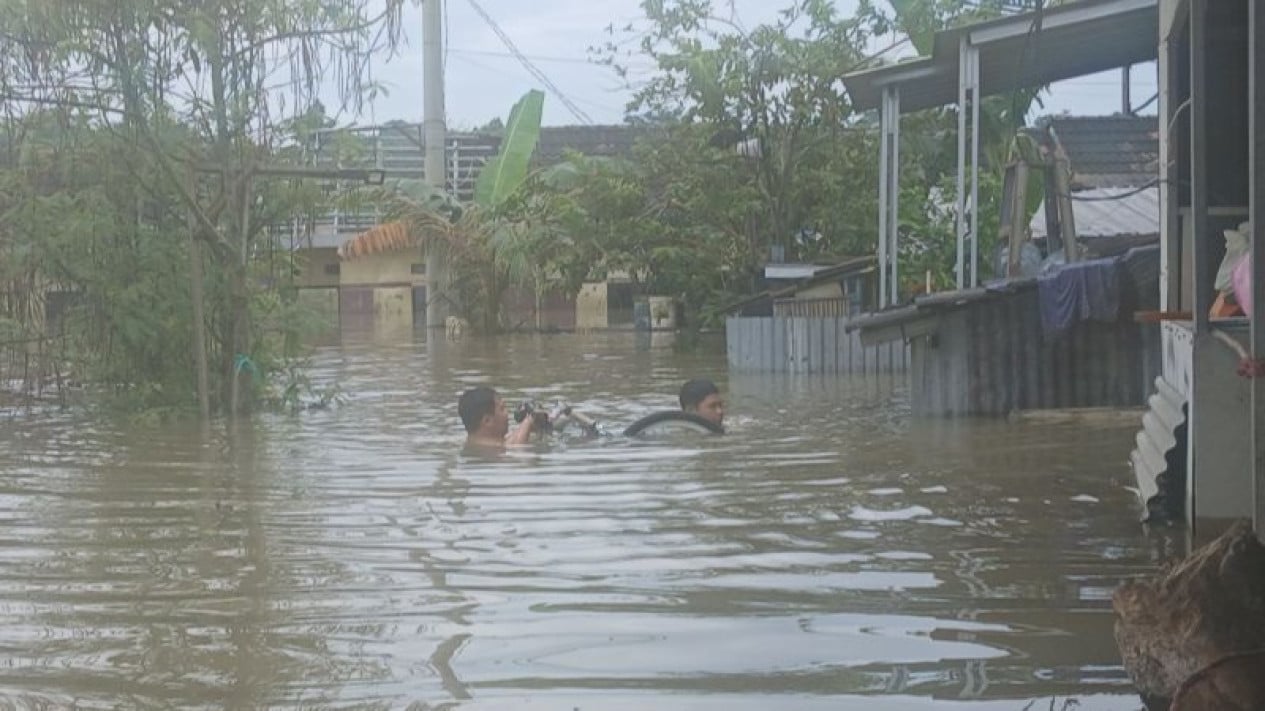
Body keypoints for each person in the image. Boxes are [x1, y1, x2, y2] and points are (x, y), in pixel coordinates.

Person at [458, 386, 541, 449]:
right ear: (487, 421)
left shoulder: (475, 442)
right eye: (502, 409)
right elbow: (516, 448)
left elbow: (509, 441)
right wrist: (529, 420)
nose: (507, 412)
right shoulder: (490, 449)